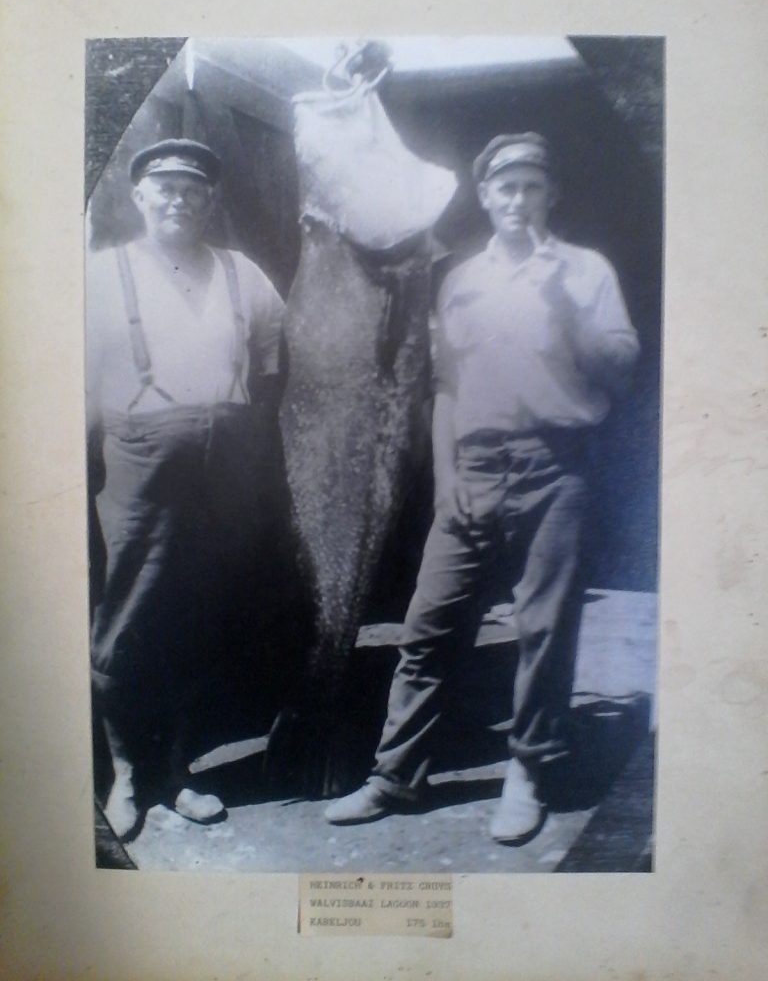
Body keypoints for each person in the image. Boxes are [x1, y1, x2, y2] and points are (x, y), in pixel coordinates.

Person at [325, 132, 640, 843]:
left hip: (555, 468)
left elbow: (620, 372)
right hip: (472, 470)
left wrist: (567, 312)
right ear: (487, 196)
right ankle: (395, 776)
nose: (518, 200)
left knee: (543, 632)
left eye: (532, 186)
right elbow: (445, 387)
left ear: (551, 195)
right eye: (506, 187)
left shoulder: (586, 273)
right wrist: (445, 480)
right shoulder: (460, 280)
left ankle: (527, 773)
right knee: (428, 628)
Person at [86, 139, 285, 840]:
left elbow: (269, 375)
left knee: (197, 622)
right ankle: (127, 777)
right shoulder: (102, 276)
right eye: (163, 188)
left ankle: (175, 770)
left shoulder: (245, 276)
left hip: (224, 467)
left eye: (191, 190)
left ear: (209, 201)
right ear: (139, 198)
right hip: (138, 465)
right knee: (126, 623)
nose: (177, 199)